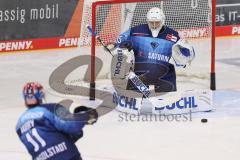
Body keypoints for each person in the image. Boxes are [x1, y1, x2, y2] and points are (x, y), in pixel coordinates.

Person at [115, 7, 195, 92]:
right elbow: (120, 41)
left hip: (165, 79)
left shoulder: (173, 36)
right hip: (138, 79)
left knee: (166, 103)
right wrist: (119, 51)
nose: (153, 25)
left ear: (162, 21)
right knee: (132, 102)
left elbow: (185, 59)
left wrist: (187, 54)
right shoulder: (135, 31)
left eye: (157, 23)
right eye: (151, 23)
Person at [16, 82, 98, 160]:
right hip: (66, 156)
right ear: (40, 95)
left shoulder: (19, 125)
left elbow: (46, 142)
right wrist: (85, 115)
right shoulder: (49, 109)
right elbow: (72, 126)